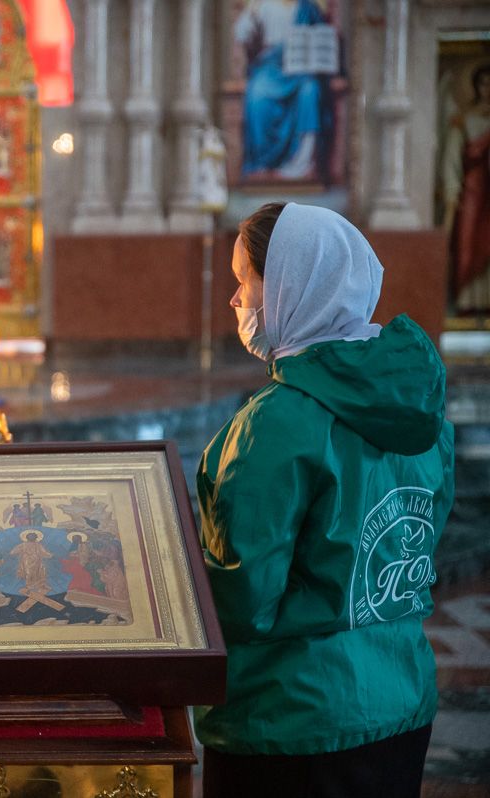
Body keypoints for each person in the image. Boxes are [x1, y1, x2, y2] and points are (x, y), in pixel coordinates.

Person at [194, 202, 454, 797]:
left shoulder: (276, 422)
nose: (235, 300)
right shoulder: (421, 409)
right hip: (401, 698)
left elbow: (243, 599)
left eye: (245, 282)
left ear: (290, 286)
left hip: (290, 720)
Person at [234, 0, 330, 180]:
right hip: (270, 66)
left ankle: (301, 165)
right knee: (256, 96)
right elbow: (241, 33)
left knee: (310, 91)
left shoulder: (308, 8)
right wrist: (252, 13)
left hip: (301, 69)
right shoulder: (263, 5)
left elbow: (323, 39)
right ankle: (262, 163)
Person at [441, 63, 490, 312]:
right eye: (483, 83)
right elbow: (451, 160)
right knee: (467, 247)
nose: (487, 89)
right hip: (472, 192)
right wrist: (452, 192)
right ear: (475, 86)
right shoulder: (462, 120)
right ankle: (467, 303)